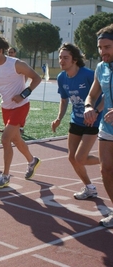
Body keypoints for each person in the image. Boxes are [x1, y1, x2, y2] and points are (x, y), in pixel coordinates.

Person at [0, 34, 42, 188]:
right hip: (6, 107)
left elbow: (36, 78)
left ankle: (5, 176)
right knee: (16, 139)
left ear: (1, 51)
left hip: (20, 106)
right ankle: (32, 160)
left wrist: (23, 95)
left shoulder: (16, 64)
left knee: (5, 139)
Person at [51, 43, 102, 200]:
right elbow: (64, 100)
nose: (61, 61)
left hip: (92, 120)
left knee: (80, 158)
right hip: (76, 120)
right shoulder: (61, 77)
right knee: (72, 157)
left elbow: (103, 95)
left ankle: (107, 161)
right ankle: (89, 187)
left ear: (74, 60)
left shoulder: (88, 74)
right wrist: (59, 118)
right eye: (60, 57)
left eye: (65, 58)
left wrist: (96, 112)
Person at [83, 23, 113, 228]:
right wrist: (88, 106)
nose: (103, 51)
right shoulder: (101, 68)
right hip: (107, 128)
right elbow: (93, 94)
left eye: (107, 47)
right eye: (100, 47)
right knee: (106, 171)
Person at [0, 46, 24, 134]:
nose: (10, 54)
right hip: (7, 92)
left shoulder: (18, 63)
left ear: (15, 53)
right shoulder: (5, 63)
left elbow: (28, 74)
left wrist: (23, 87)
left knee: (18, 107)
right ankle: (7, 126)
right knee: (7, 107)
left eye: (12, 52)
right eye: (9, 52)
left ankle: (20, 127)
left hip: (18, 91)